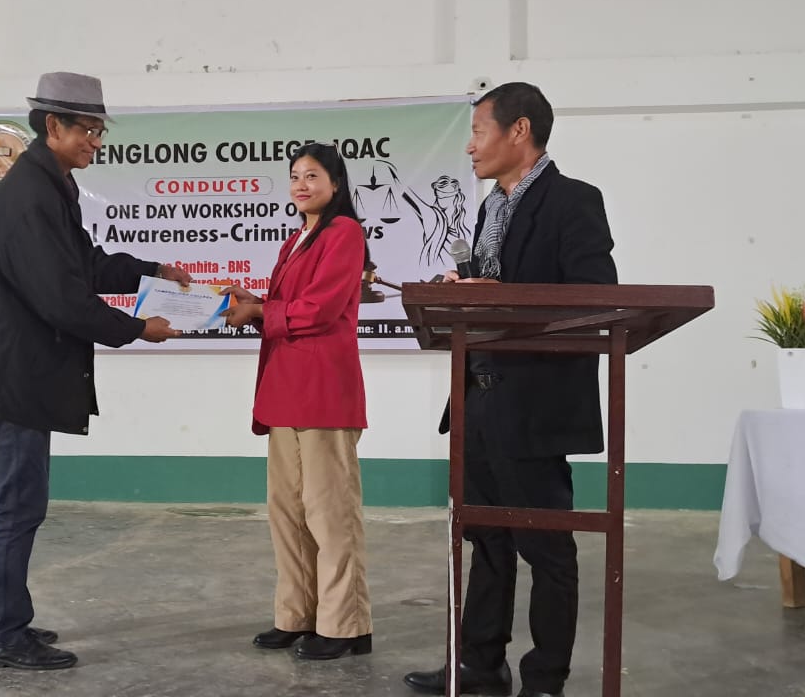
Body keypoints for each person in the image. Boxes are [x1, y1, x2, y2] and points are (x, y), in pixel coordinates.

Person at [0, 72, 190, 670]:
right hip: (15, 378)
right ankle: (3, 634)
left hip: (19, 374)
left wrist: (153, 270)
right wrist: (138, 328)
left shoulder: (51, 185)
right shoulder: (30, 196)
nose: (95, 142)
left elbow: (83, 263)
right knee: (16, 506)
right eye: (88, 130)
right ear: (52, 126)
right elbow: (61, 299)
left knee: (11, 504)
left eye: (101, 131)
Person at [403, 83, 617, 697]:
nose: (470, 146)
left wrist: (500, 295)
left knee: (546, 549)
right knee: (486, 539)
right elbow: (497, 287)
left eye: (478, 132)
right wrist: (463, 287)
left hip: (534, 405)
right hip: (478, 397)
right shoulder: (489, 208)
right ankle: (479, 665)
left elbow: (594, 294)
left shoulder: (574, 201)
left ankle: (545, 680)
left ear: (518, 131)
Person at [221, 142, 373, 661]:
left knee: (330, 512)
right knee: (287, 511)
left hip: (323, 389)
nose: (301, 185)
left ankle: (345, 624)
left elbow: (321, 308)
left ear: (336, 183)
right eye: (294, 177)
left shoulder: (344, 232)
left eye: (312, 175)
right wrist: (253, 302)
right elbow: (285, 308)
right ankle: (297, 615)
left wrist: (261, 312)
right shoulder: (294, 241)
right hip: (285, 388)